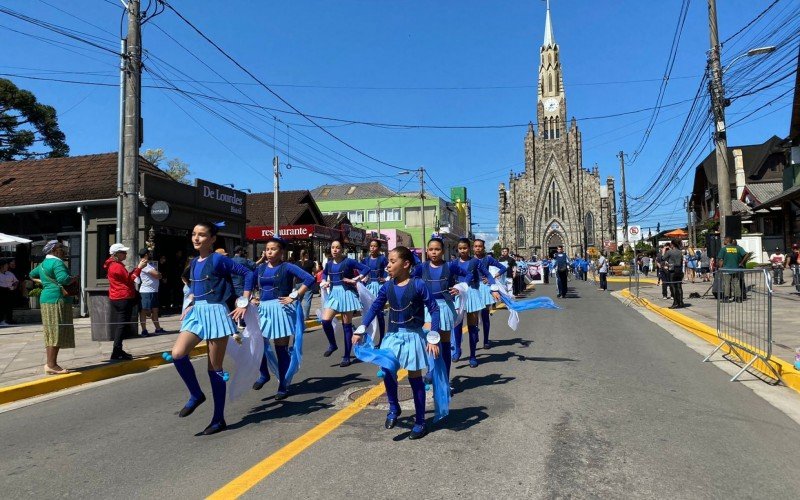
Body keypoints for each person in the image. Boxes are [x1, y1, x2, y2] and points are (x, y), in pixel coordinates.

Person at [168, 221, 254, 435]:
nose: (196, 238)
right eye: (194, 234)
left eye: (202, 235)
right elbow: (195, 287)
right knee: (178, 354)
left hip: (216, 313)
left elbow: (249, 274)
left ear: (213, 239)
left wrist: (243, 302)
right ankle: (196, 394)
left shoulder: (218, 259)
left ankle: (218, 418)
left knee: (214, 368)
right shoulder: (195, 261)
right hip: (197, 313)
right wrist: (190, 303)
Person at [353, 246, 442, 440]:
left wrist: (433, 335)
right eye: (387, 262)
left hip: (413, 336)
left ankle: (420, 422)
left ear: (406, 264)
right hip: (392, 336)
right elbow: (375, 307)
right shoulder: (387, 286)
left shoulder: (418, 285)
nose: (388, 266)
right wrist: (361, 328)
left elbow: (434, 309)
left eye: (392, 262)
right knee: (386, 370)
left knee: (414, 377)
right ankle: (394, 407)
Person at [251, 238, 315, 399]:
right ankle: (264, 374)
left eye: (273, 249)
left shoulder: (287, 267)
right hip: (264, 310)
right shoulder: (260, 269)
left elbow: (309, 279)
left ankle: (283, 385)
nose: (269, 252)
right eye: (267, 249)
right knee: (258, 343)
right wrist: (251, 297)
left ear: (281, 252)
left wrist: (294, 295)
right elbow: (248, 283)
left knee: (281, 349)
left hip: (281, 310)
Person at [413, 238, 466, 395]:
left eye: (437, 249)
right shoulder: (421, 267)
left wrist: (459, 287)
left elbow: (467, 275)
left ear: (443, 251)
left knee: (443, 347)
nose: (433, 252)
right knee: (431, 341)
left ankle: (444, 381)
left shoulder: (450, 266)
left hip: (445, 308)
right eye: (431, 249)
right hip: (428, 308)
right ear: (427, 251)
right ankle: (432, 372)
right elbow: (410, 279)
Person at [319, 239, 370, 367]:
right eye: (332, 247)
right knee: (325, 320)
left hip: (347, 294)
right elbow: (324, 274)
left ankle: (347, 356)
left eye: (337, 247)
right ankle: (333, 344)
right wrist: (323, 281)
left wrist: (355, 279)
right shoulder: (329, 264)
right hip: (334, 294)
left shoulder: (349, 261)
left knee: (346, 326)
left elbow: (366, 268)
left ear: (342, 249)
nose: (335, 250)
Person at [28, 241, 77, 373]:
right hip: (56, 299)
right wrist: (74, 279)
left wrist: (44, 282)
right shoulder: (57, 262)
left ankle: (51, 364)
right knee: (56, 332)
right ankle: (51, 365)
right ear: (55, 250)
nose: (64, 251)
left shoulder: (43, 264)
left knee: (52, 332)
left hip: (47, 298)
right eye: (61, 248)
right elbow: (63, 279)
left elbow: (32, 275)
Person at [451, 237, 499, 367]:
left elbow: (488, 275)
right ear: (458, 249)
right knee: (457, 325)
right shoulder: (454, 263)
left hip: (472, 294)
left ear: (469, 248)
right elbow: (448, 277)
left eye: (465, 248)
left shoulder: (475, 262)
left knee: (472, 327)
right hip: (458, 294)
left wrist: (493, 287)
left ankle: (472, 355)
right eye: (460, 248)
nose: (462, 251)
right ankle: (457, 350)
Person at [105, 243, 147, 360]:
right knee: (121, 326)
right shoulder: (116, 266)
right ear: (116, 254)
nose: (126, 254)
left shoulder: (114, 264)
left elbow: (127, 277)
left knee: (122, 325)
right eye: (123, 252)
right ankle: (116, 351)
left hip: (118, 297)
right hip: (122, 297)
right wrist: (139, 268)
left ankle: (118, 350)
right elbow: (130, 279)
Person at [473, 239, 505, 349]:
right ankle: (475, 334)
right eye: (476, 246)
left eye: (480, 246)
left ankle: (486, 340)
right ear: (473, 248)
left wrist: (493, 276)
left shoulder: (488, 259)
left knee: (485, 315)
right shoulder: (470, 259)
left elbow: (503, 268)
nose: (478, 248)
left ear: (483, 248)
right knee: (474, 316)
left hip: (484, 288)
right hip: (473, 289)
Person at [361, 239, 389, 344]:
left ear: (379, 248)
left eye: (375, 246)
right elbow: (361, 271)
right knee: (368, 313)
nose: (372, 248)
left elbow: (388, 270)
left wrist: (385, 279)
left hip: (379, 287)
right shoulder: (365, 260)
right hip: (368, 287)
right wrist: (362, 279)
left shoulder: (383, 259)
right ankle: (367, 339)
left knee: (379, 314)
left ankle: (381, 339)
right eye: (371, 246)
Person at [137, 248, 165, 337]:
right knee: (144, 311)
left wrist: (158, 275)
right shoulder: (144, 264)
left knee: (155, 310)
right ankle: (144, 330)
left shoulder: (149, 264)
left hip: (154, 291)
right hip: (146, 292)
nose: (150, 254)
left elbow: (157, 274)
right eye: (149, 253)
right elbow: (157, 275)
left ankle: (158, 328)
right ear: (146, 255)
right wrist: (159, 275)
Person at [717, 236, 747, 302]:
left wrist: (720, 267)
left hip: (726, 269)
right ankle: (738, 298)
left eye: (724, 240)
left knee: (726, 283)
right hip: (736, 269)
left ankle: (726, 298)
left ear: (727, 241)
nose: (723, 241)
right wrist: (742, 262)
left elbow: (721, 260)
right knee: (736, 283)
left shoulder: (724, 249)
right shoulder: (738, 248)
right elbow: (746, 254)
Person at [296, 248, 318, 319]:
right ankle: (306, 316)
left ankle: (298, 315)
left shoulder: (296, 263)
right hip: (308, 283)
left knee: (298, 299)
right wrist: (316, 264)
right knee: (307, 299)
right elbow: (315, 272)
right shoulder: (311, 263)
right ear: (306, 254)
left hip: (298, 282)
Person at [665, 239, 685, 309]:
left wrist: (663, 250)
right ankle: (681, 302)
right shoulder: (680, 252)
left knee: (673, 286)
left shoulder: (669, 252)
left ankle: (675, 302)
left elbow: (663, 258)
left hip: (672, 270)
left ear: (672, 244)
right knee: (679, 286)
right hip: (679, 270)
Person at [0, 258, 19, 326]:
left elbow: (16, 281)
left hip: (9, 290)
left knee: (9, 306)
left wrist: (15, 286)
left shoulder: (9, 273)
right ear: (1, 266)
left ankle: (9, 320)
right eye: (6, 265)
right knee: (1, 306)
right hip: (1, 290)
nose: (7, 266)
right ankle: (1, 320)